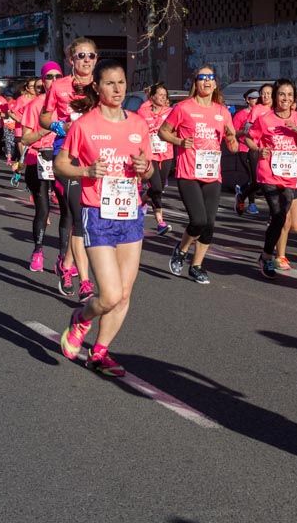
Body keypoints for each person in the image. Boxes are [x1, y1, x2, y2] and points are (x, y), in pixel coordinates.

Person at [55, 60, 154, 377]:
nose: (117, 89)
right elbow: (60, 165)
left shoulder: (138, 124)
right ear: (96, 87)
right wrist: (85, 171)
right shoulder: (85, 125)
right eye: (110, 83)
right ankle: (81, 319)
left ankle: (99, 352)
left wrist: (145, 169)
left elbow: (150, 169)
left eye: (122, 82)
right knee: (109, 294)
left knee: (124, 294)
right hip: (97, 213)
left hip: (131, 215)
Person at [159, 65, 238, 285]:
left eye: (210, 78)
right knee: (198, 220)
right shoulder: (183, 108)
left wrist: (232, 139)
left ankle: (196, 266)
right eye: (202, 78)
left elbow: (232, 147)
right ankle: (182, 249)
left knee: (209, 224)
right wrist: (179, 141)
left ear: (215, 83)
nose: (207, 81)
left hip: (212, 174)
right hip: (188, 172)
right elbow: (162, 131)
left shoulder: (222, 112)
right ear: (196, 83)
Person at [40, 38, 100, 299]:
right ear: (71, 60)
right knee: (78, 215)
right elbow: (44, 116)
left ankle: (65, 264)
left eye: (91, 56)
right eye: (81, 56)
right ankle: (85, 282)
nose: (86, 60)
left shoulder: (101, 85)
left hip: (95, 155)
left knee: (87, 215)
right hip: (67, 155)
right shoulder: (59, 86)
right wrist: (57, 127)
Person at [247, 78, 297, 277]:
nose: (285, 98)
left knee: (292, 223)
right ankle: (269, 257)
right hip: (270, 174)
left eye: (289, 95)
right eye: (282, 94)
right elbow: (249, 137)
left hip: (293, 175)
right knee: (279, 215)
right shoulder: (265, 119)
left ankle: (269, 251)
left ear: (294, 99)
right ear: (275, 97)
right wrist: (259, 149)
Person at [19, 63, 64, 271]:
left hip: (63, 160)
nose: (53, 81)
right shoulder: (34, 106)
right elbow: (26, 138)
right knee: (43, 208)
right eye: (49, 77)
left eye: (58, 76)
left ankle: (64, 257)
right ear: (42, 81)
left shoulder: (68, 105)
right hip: (37, 159)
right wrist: (45, 132)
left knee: (68, 210)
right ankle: (38, 251)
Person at [136, 83, 174, 236]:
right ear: (152, 97)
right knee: (157, 187)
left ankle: (142, 200)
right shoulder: (142, 112)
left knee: (159, 188)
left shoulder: (171, 112)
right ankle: (160, 222)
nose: (163, 97)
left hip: (166, 154)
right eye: (159, 94)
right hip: (149, 155)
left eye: (165, 95)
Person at [235, 84, 272, 216]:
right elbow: (247, 130)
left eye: (269, 93)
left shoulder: (276, 109)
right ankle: (244, 198)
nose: (266, 96)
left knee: (272, 181)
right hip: (255, 149)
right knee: (257, 180)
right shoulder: (257, 109)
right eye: (263, 93)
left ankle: (274, 212)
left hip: (274, 150)